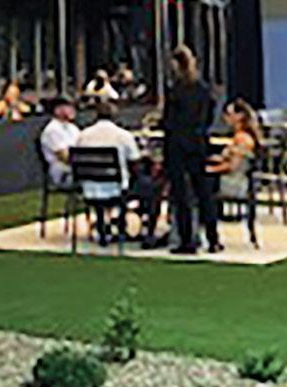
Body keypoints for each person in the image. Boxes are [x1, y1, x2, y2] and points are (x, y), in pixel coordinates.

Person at [75, 99, 163, 245]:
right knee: (154, 187)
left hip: (89, 188)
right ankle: (148, 232)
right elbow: (135, 163)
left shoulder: (82, 135)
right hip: (117, 189)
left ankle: (105, 225)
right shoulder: (123, 135)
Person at [160, 45, 220, 254]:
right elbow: (209, 115)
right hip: (198, 142)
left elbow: (168, 120)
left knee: (181, 194)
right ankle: (213, 237)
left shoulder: (175, 90)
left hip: (177, 144)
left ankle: (187, 239)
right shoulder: (203, 89)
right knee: (203, 192)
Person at [208, 98, 264, 206]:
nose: (225, 117)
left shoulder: (241, 139)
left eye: (229, 114)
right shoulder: (243, 136)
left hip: (234, 184)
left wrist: (210, 169)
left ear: (240, 116)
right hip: (238, 180)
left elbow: (233, 166)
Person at [37, 96, 79, 187]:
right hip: (63, 173)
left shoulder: (73, 128)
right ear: (57, 110)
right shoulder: (52, 130)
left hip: (78, 168)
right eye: (69, 107)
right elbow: (65, 157)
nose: (73, 110)